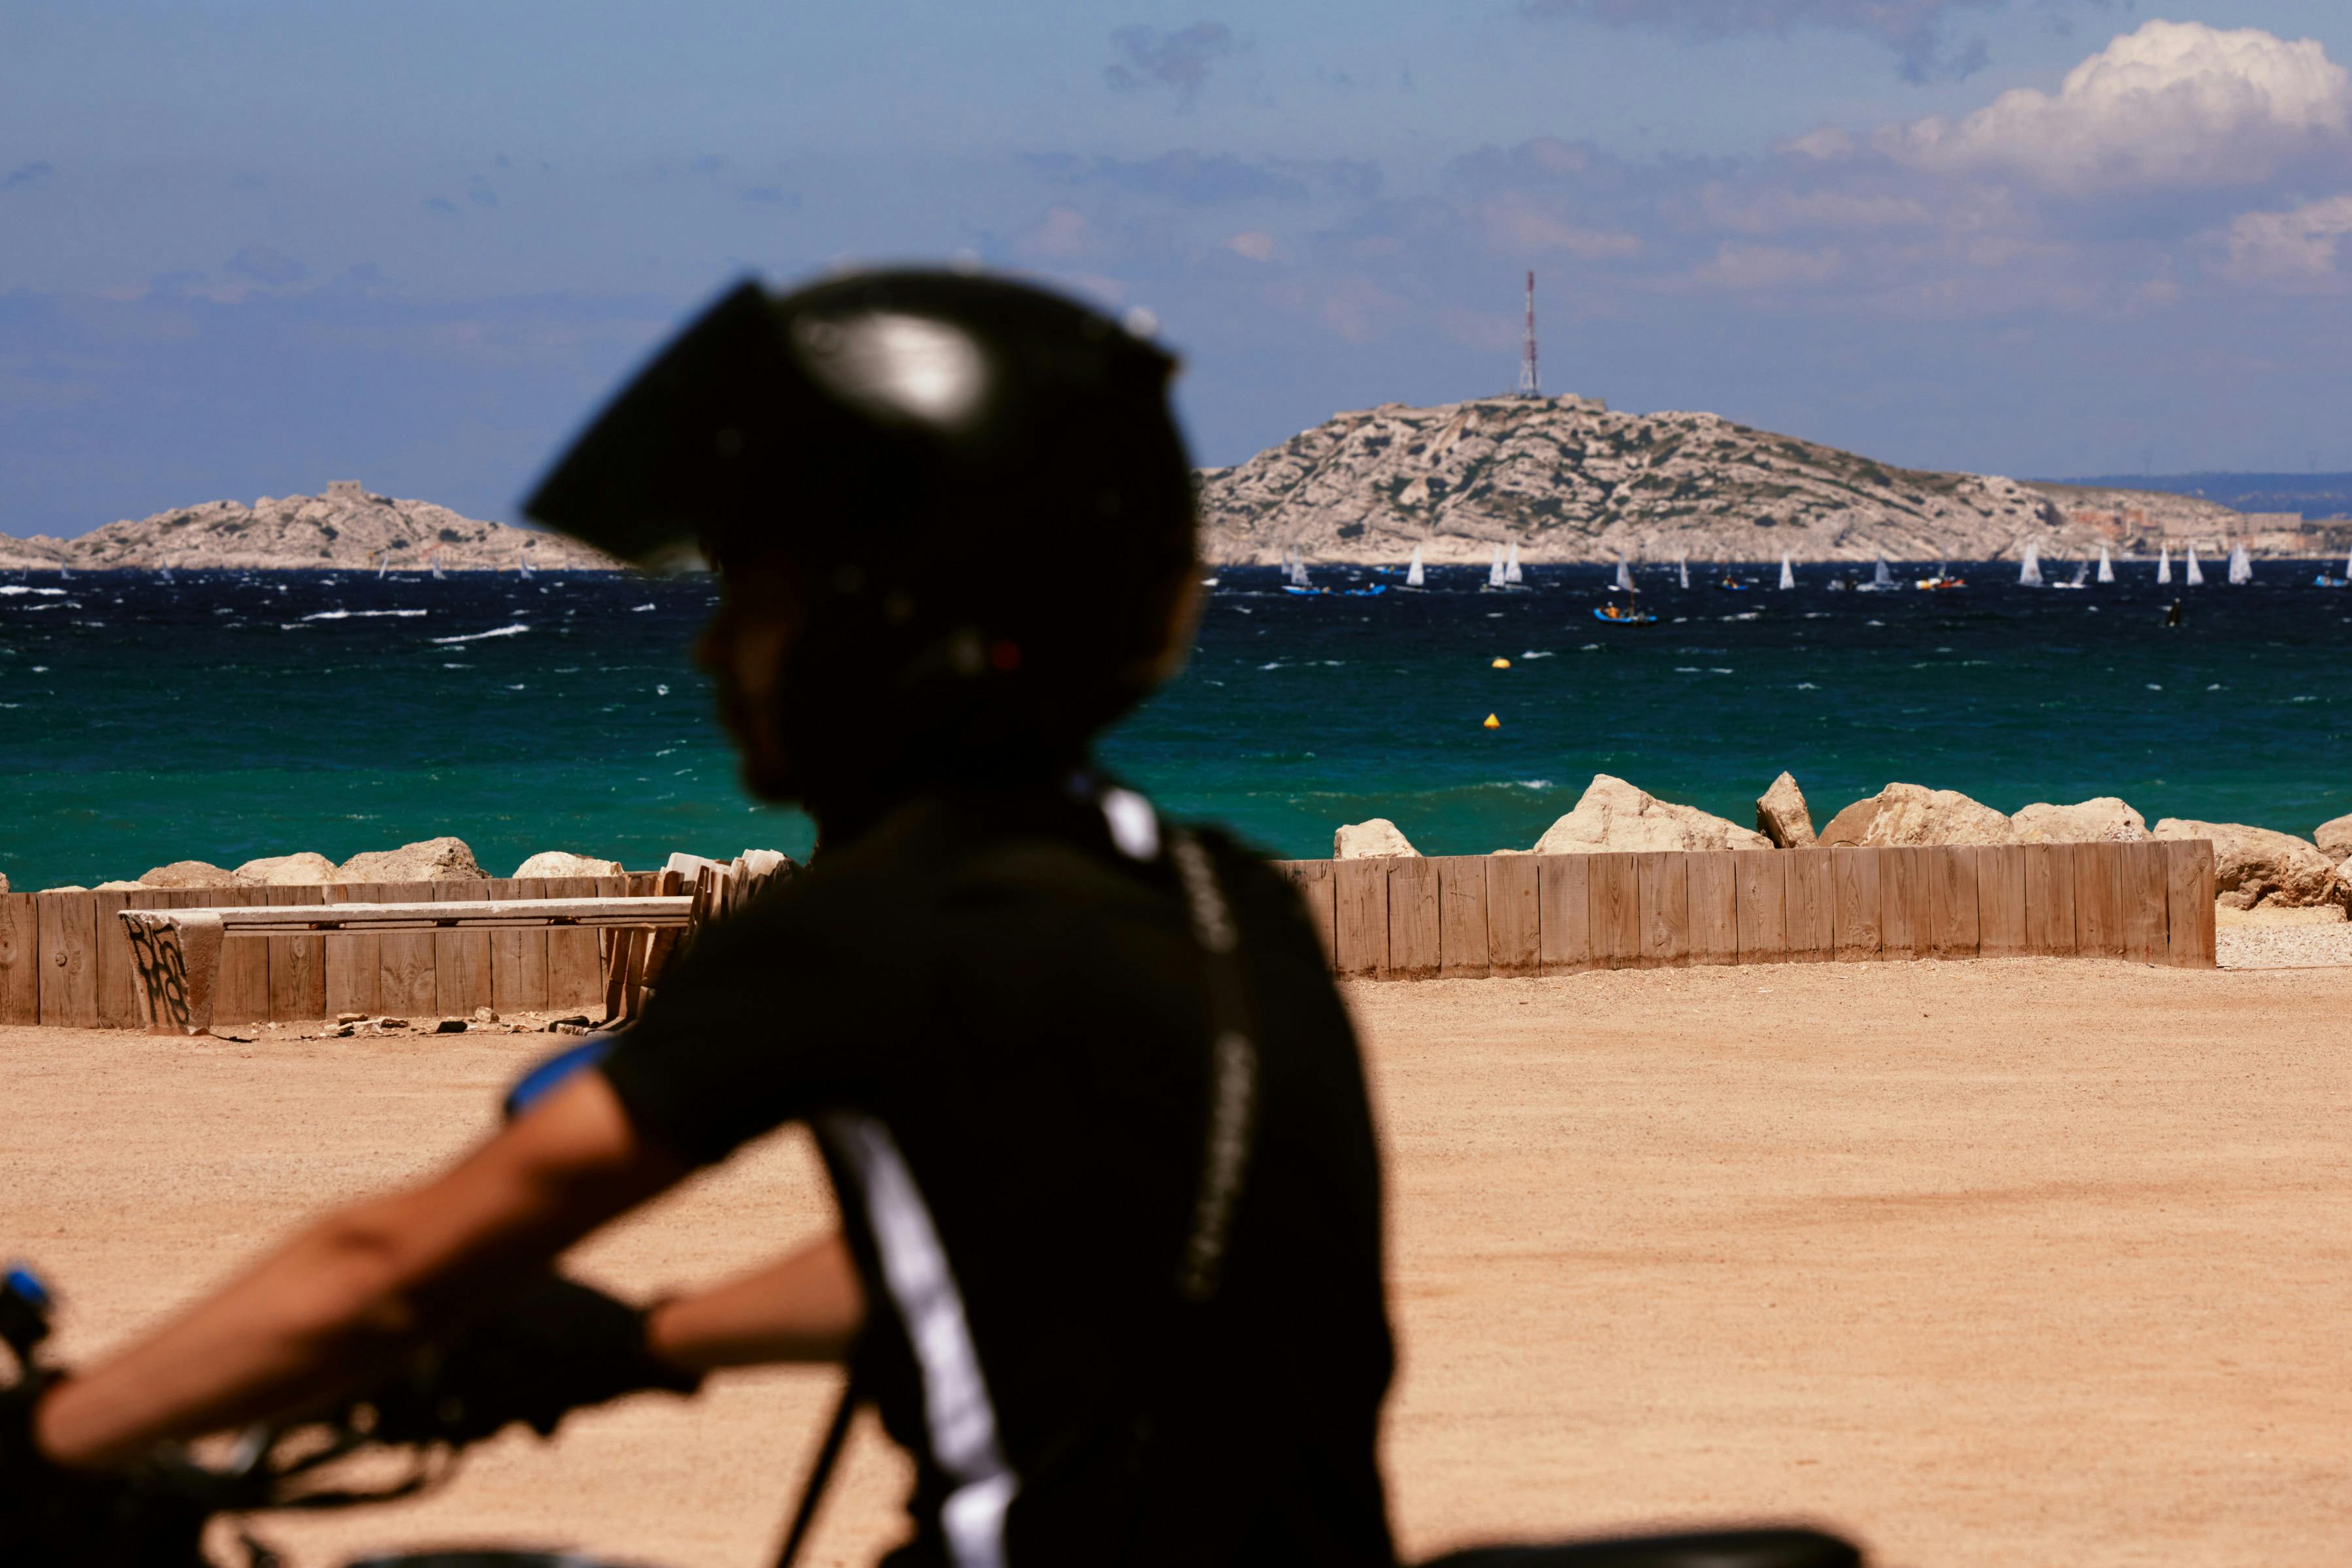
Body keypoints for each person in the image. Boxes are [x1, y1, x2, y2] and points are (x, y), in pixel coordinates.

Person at [3, 269, 1396, 1567]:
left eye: (763, 601)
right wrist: (651, 1340)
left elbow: (386, 1274)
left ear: (893, 620)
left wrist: (47, 1443)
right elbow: (1018, 1261)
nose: (713, 647)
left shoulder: (869, 928)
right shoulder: (1225, 897)